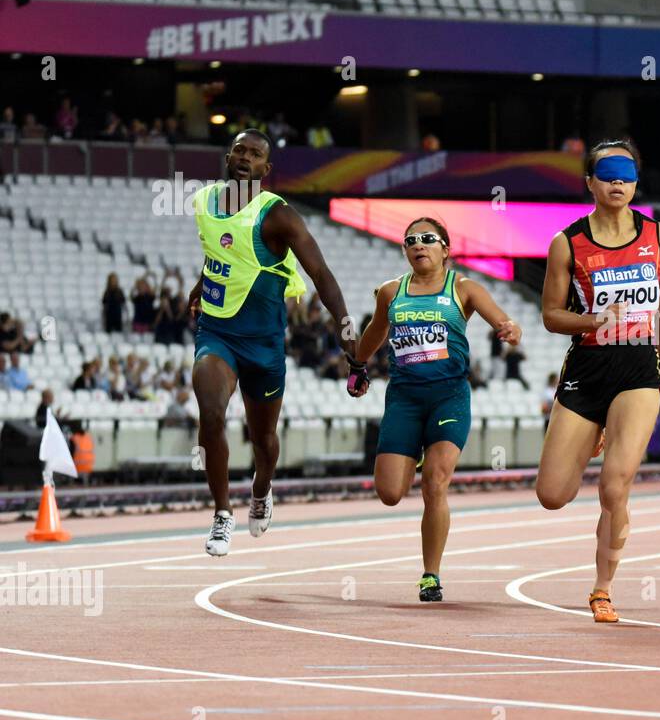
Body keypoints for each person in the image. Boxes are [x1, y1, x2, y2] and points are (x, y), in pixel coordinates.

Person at [534, 138, 660, 624]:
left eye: (626, 174)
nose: (618, 182)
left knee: (615, 487)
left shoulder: (657, 235)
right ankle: (594, 430)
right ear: (591, 183)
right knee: (552, 494)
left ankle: (602, 587)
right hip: (587, 367)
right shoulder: (567, 243)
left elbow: (659, 294)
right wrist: (593, 321)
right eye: (608, 173)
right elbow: (552, 316)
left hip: (638, 366)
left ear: (637, 182)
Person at [188, 129, 356, 557]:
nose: (246, 157)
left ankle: (261, 489)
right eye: (240, 150)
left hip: (264, 345)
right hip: (217, 332)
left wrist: (345, 325)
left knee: (263, 439)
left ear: (266, 168)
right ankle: (222, 513)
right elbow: (218, 254)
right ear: (228, 157)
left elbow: (320, 274)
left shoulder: (277, 215)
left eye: (256, 154)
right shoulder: (204, 201)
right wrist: (199, 286)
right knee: (209, 407)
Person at [348, 216, 520, 602]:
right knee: (390, 492)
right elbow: (377, 331)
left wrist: (510, 328)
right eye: (410, 240)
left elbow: (500, 318)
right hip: (405, 399)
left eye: (428, 239)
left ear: (446, 249)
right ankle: (419, 452)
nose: (418, 245)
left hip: (448, 397)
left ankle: (430, 575)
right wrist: (357, 364)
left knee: (435, 484)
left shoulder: (464, 288)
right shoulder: (392, 292)